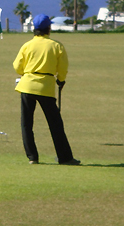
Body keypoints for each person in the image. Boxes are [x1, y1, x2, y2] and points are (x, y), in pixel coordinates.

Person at [13, 14, 80, 165]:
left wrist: (27, 73)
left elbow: (17, 66)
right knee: (55, 124)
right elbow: (63, 67)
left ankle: (32, 157)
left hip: (27, 85)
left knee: (26, 124)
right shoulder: (56, 45)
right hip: (46, 87)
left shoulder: (27, 45)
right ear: (48, 28)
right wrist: (61, 80)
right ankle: (65, 158)